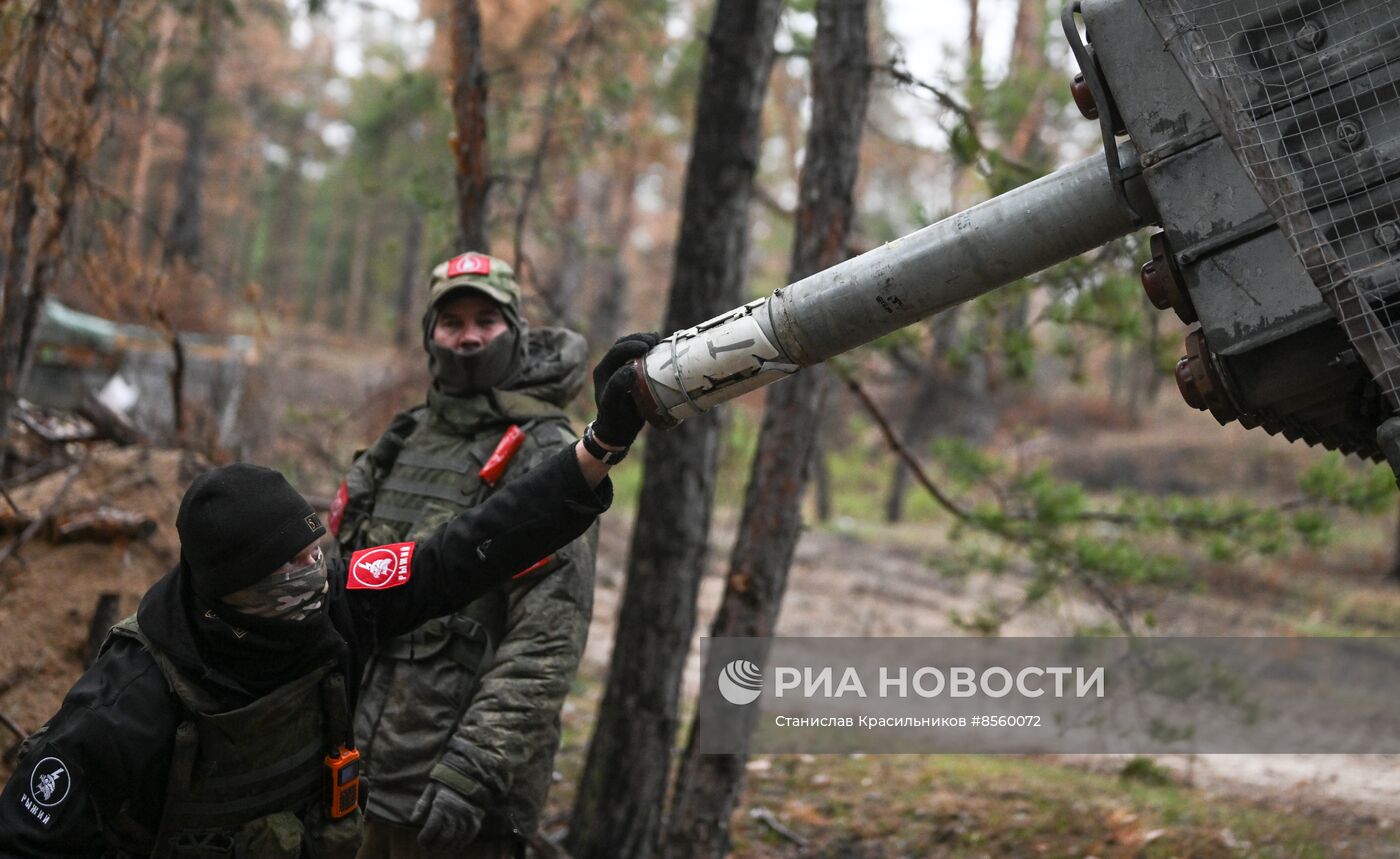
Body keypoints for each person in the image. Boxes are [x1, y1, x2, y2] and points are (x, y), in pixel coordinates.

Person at [0, 331, 660, 859]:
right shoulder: (127, 703)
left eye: (315, 551)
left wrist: (600, 444)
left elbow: (461, 550)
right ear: (225, 595)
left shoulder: (339, 599)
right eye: (289, 568)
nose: (315, 576)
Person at [333, 252, 605, 858]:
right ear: (430, 335)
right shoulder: (401, 440)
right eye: (451, 322)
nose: (469, 337)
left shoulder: (548, 458)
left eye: (488, 319)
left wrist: (473, 768)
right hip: (358, 782)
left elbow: (547, 641)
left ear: (517, 330)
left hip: (454, 801)